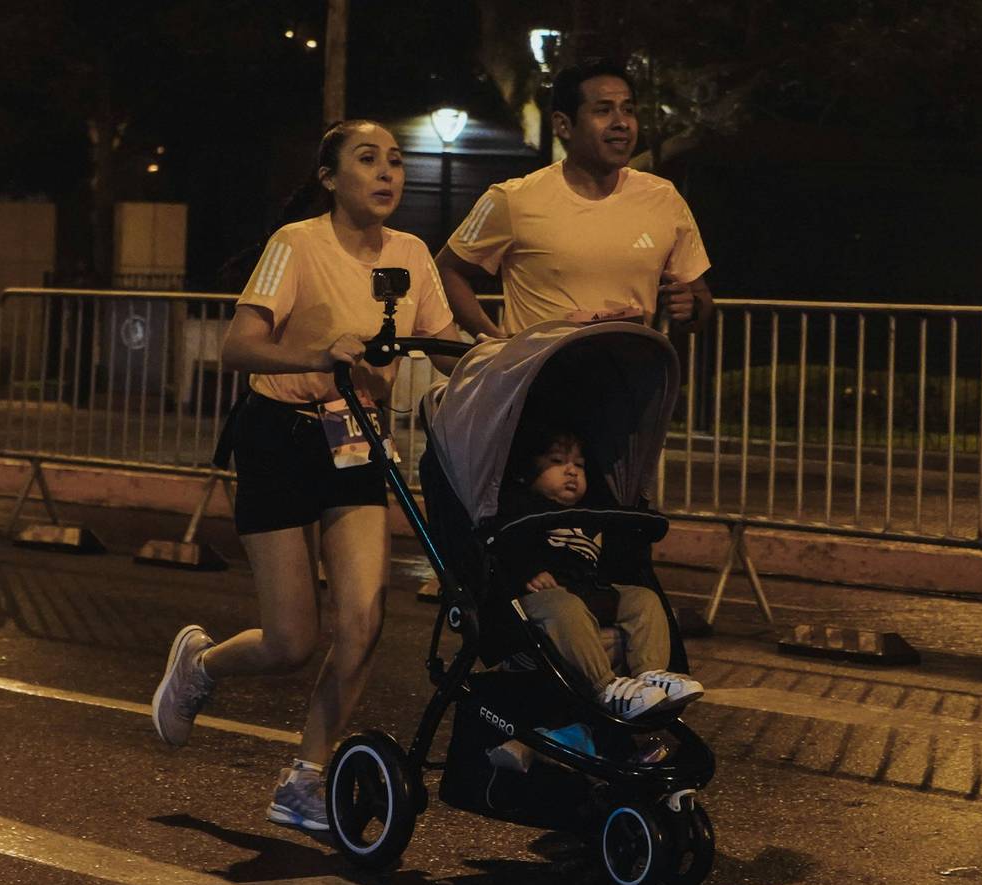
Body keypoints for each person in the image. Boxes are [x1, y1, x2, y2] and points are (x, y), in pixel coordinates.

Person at [151, 120, 463, 833]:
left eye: (395, 161)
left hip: (355, 441)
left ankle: (305, 779)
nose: (387, 173)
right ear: (328, 177)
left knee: (363, 620)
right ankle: (201, 665)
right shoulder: (296, 243)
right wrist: (320, 355)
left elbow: (445, 348)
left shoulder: (412, 253)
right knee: (291, 641)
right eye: (367, 159)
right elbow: (238, 346)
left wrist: (512, 362)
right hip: (279, 437)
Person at [437, 58, 714, 339]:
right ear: (564, 125)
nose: (621, 123)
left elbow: (700, 299)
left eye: (628, 110)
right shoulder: (511, 199)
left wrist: (691, 307)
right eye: (604, 110)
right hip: (542, 368)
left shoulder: (664, 198)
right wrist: (494, 343)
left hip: (634, 366)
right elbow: (446, 270)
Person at [498, 426, 704, 720]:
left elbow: (614, 559)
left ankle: (650, 673)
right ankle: (605, 687)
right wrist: (527, 570)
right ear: (527, 472)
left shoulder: (592, 514)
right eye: (557, 462)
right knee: (563, 606)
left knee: (644, 599)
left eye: (579, 465)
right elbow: (505, 545)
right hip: (543, 596)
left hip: (590, 590)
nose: (571, 471)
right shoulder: (521, 506)